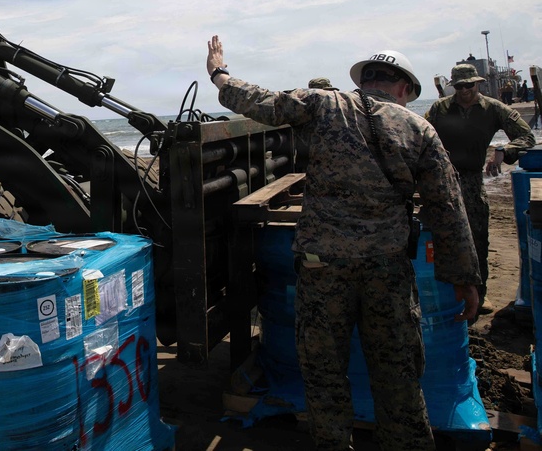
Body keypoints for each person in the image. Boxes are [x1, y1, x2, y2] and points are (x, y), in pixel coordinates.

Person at [206, 36, 479, 451]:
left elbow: (260, 101)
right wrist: (464, 278)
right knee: (398, 376)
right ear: (404, 88)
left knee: (323, 374)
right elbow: (447, 207)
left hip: (321, 268)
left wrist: (218, 73)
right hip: (387, 271)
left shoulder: (324, 104)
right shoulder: (419, 127)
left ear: (365, 80)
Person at [424, 63, 536, 314]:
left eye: (469, 85)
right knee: (437, 237)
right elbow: (419, 138)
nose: (464, 90)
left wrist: (503, 151)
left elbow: (526, 137)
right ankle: (446, 293)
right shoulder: (439, 109)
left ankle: (480, 293)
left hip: (473, 182)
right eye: (460, 86)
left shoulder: (493, 109)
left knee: (477, 238)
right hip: (441, 180)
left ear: (477, 83)